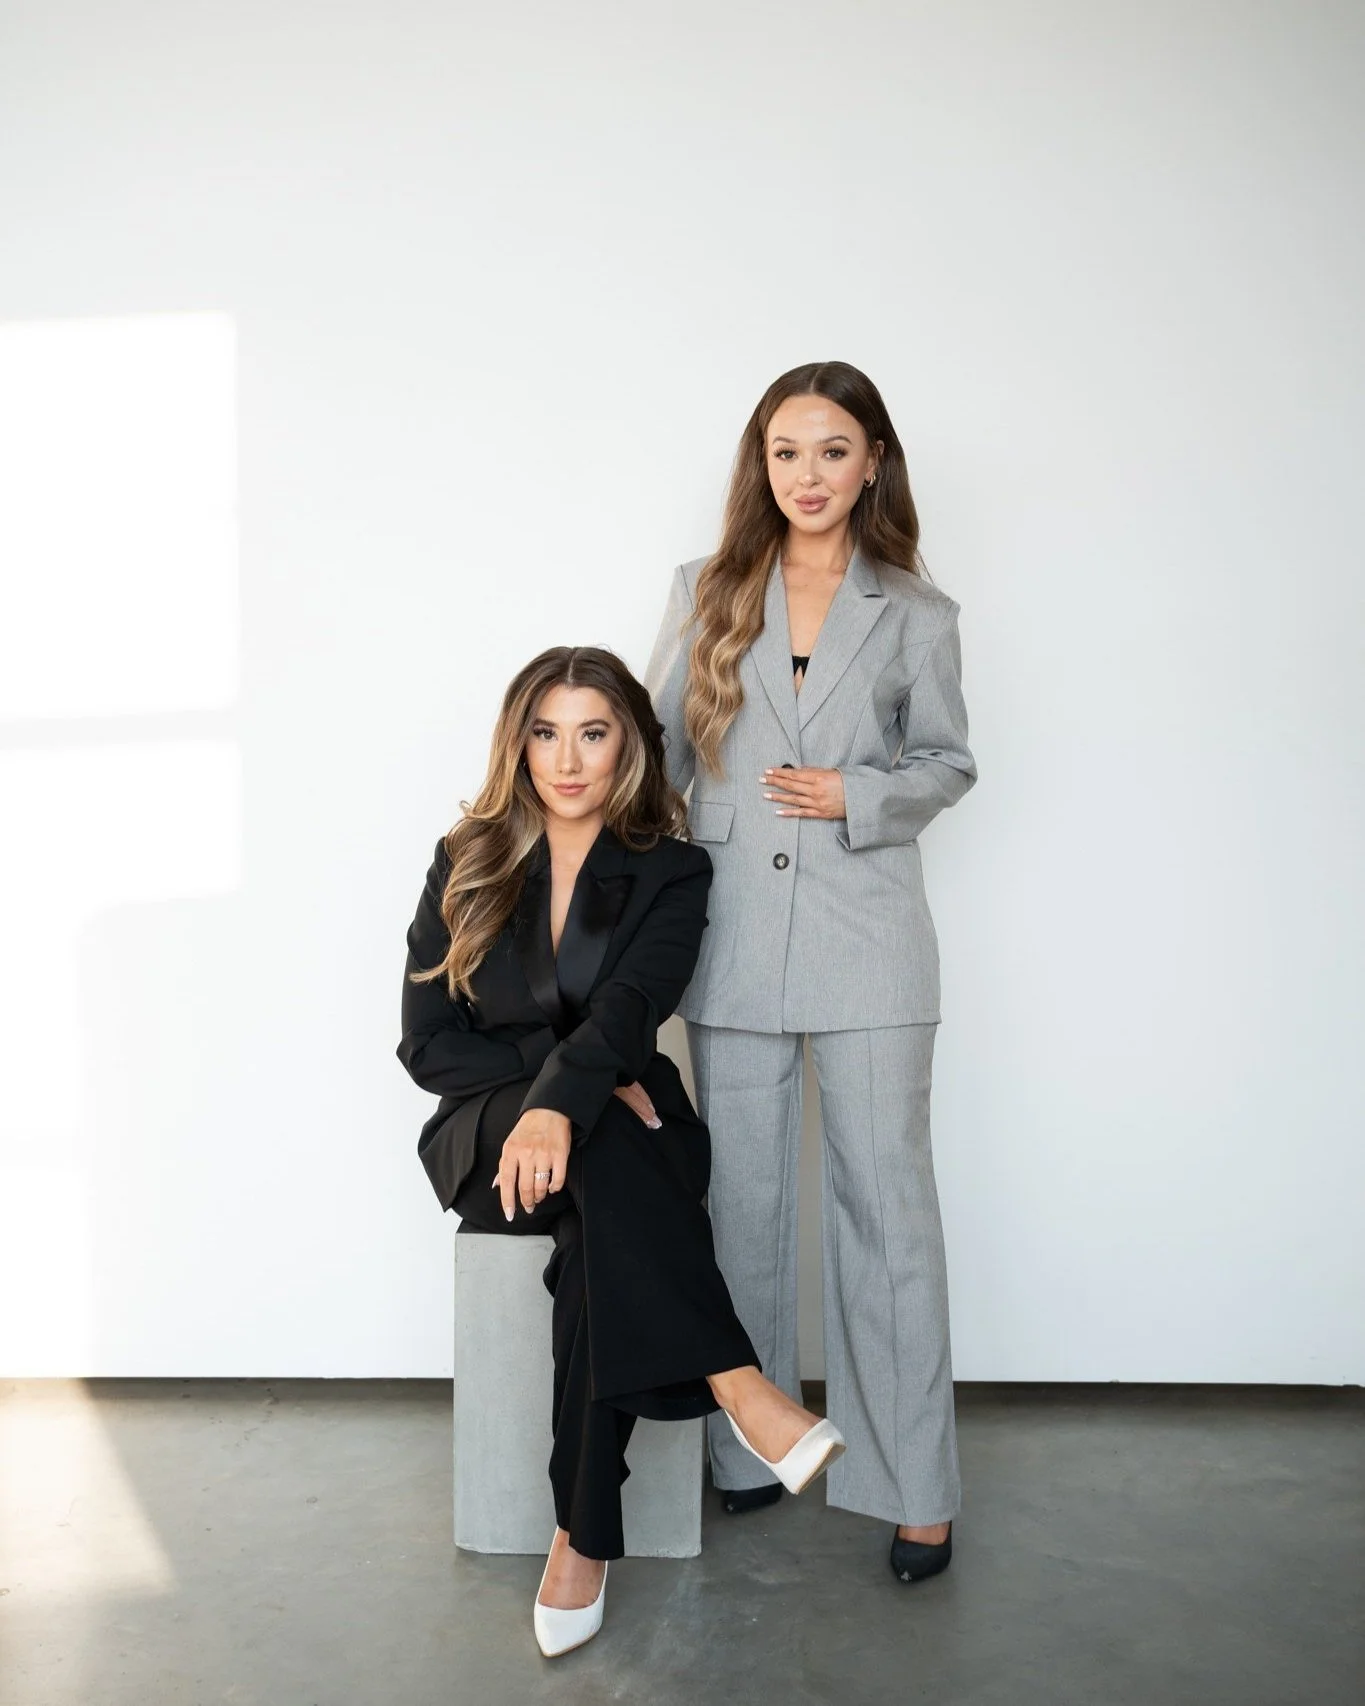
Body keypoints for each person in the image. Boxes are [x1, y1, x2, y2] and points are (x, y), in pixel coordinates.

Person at [397, 646, 844, 1657]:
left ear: (629, 745)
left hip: (626, 1133)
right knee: (605, 1135)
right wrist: (565, 1087)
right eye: (545, 733)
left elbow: (635, 1006)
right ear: (518, 744)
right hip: (490, 1135)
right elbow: (427, 1046)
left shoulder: (671, 870)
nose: (567, 760)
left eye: (592, 733)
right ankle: (736, 1380)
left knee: (601, 1226)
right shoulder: (465, 858)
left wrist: (575, 1093)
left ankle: (580, 1534)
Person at [645, 361, 976, 1584]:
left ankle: (914, 1485)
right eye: (786, 451)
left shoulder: (918, 612)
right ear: (762, 464)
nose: (809, 474)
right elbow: (656, 755)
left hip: (870, 942)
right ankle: (752, 1449)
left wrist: (858, 794)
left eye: (833, 449)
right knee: (740, 1206)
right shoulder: (707, 588)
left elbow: (949, 762)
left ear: (872, 460)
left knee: (889, 1216)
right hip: (730, 941)